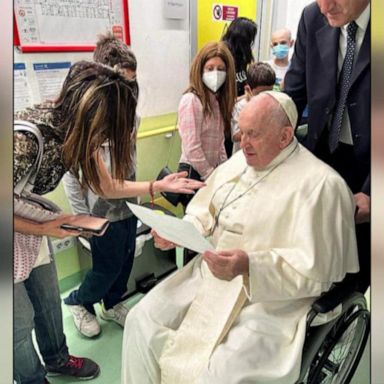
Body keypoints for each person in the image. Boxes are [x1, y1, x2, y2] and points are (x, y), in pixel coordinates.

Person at [121, 91, 359, 384]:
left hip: (270, 299)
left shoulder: (322, 186)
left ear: (284, 137)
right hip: (209, 274)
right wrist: (182, 233)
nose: (242, 143)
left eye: (253, 135)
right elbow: (204, 210)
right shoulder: (239, 162)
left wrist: (251, 266)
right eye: (241, 132)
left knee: (216, 374)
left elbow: (317, 275)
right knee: (140, 320)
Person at [14, 60, 204, 384]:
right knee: (18, 324)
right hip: (21, 226)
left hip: (29, 222)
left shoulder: (78, 134)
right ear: (93, 115)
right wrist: (46, 227)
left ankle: (57, 359)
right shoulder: (27, 141)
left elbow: (105, 185)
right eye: (110, 127)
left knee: (47, 303)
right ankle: (32, 379)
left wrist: (157, 186)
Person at [284, 0, 370, 292]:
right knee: (313, 247)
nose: (324, 6)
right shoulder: (312, 17)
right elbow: (293, 92)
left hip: (371, 163)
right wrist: (268, 131)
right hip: (321, 154)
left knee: (359, 256)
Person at [62, 34, 140, 338]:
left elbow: (129, 164)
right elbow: (71, 176)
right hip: (99, 212)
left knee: (125, 264)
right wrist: (82, 218)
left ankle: (113, 302)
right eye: (122, 83)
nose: (127, 91)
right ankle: (77, 301)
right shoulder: (86, 119)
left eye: (132, 83)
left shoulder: (132, 114)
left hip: (127, 207)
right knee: (105, 268)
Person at [176, 41, 236, 208]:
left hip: (212, 173)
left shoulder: (218, 101)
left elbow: (219, 143)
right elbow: (192, 147)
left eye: (221, 69)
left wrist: (223, 171)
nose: (215, 73)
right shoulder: (191, 100)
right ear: (200, 69)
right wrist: (210, 175)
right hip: (194, 173)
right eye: (210, 68)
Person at [221, 16, 258, 157]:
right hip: (225, 121)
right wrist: (246, 97)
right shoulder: (224, 57)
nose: (251, 43)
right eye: (250, 38)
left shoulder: (241, 57)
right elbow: (220, 98)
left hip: (238, 115)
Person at [231, 62, 275, 153]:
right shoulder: (240, 107)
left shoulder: (273, 105)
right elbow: (235, 136)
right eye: (259, 94)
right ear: (248, 90)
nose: (264, 97)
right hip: (242, 156)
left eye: (269, 92)